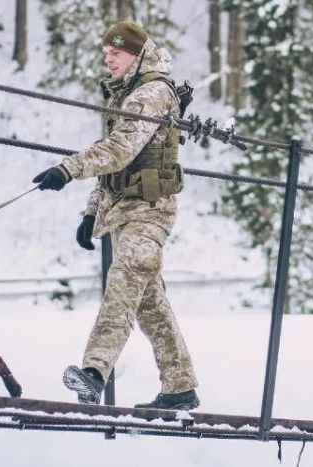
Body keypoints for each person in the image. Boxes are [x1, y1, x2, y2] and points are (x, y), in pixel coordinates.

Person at [33, 21, 199, 411]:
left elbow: (119, 150)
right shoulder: (126, 93)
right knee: (149, 303)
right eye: (106, 54)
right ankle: (180, 387)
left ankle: (94, 372)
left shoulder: (153, 93)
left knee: (123, 285)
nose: (108, 60)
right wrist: (92, 212)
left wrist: (68, 169)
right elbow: (115, 160)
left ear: (138, 54)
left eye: (116, 54)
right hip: (124, 210)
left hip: (150, 211)